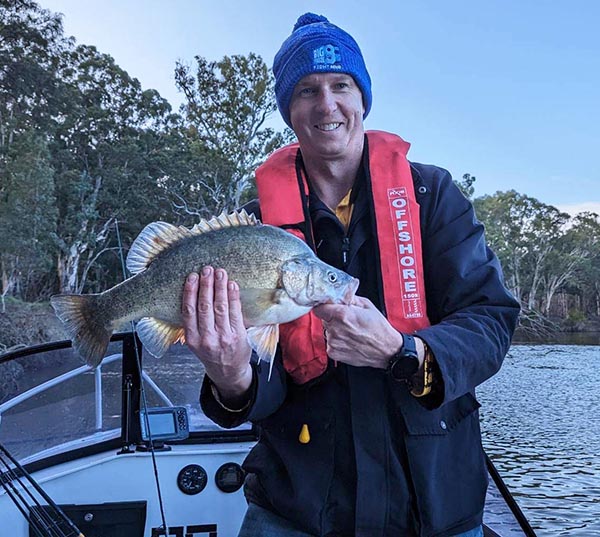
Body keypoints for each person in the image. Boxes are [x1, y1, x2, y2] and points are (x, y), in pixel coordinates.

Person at [181, 12, 520, 537]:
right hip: (297, 508)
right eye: (307, 90)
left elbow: (491, 320)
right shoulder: (256, 228)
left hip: (434, 505)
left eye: (341, 85)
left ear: (362, 98)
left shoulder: (433, 197)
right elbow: (261, 383)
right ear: (289, 111)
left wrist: (403, 352)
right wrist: (231, 378)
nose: (327, 103)